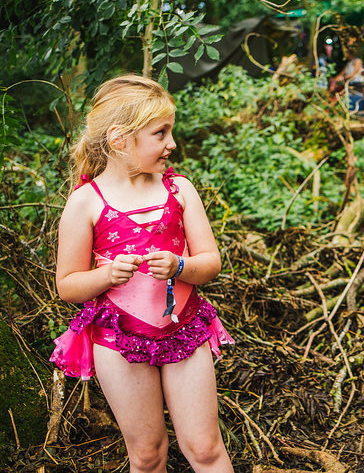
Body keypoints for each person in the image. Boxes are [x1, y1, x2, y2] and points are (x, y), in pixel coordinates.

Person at [50, 75, 234, 472]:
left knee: (205, 448)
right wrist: (107, 276)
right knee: (148, 453)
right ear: (120, 139)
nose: (172, 143)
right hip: (119, 341)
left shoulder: (179, 189)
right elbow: (67, 285)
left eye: (171, 131)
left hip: (184, 331)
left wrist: (180, 265)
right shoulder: (85, 203)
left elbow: (211, 263)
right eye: (161, 133)